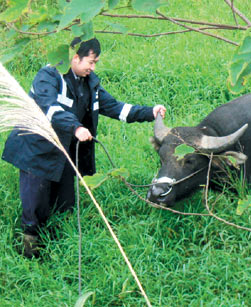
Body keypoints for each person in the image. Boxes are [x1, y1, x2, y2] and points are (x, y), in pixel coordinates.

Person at [2, 37, 166, 258]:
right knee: (35, 206)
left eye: (96, 62)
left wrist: (150, 112)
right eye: (91, 61)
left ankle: (60, 249)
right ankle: (30, 252)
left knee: (65, 205)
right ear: (74, 57)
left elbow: (116, 107)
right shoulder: (49, 76)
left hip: (64, 152)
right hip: (36, 151)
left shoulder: (89, 83)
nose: (93, 67)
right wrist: (76, 127)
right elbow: (48, 108)